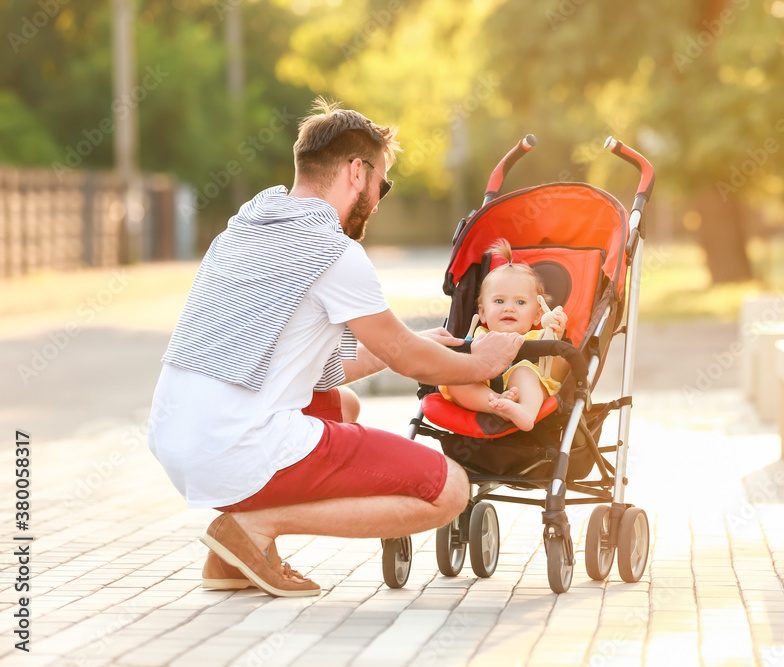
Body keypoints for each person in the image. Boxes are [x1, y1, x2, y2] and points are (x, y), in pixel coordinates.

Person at [147, 98, 523, 598]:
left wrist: (417, 344)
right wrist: (482, 362)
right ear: (356, 172)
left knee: (340, 406)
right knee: (450, 490)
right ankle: (253, 530)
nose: (380, 197)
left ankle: (232, 560)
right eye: (382, 183)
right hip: (233, 450)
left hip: (176, 440)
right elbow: (404, 357)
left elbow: (334, 364)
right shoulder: (333, 251)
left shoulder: (243, 230)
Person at [441, 239, 568, 432]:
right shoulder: (479, 335)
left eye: (520, 302)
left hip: (526, 389)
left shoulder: (540, 336)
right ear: (482, 313)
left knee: (524, 372)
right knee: (456, 378)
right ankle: (499, 404)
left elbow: (561, 374)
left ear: (537, 315)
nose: (509, 308)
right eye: (499, 301)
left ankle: (525, 411)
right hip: (485, 389)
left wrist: (557, 337)